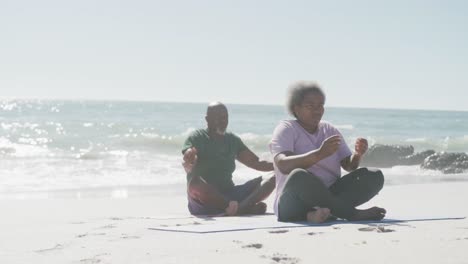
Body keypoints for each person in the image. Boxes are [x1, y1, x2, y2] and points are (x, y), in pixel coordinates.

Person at [269, 81, 386, 223]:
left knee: (374, 175)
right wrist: (318, 154)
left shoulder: (329, 129)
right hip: (293, 202)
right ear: (296, 108)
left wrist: (358, 154)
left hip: (330, 195)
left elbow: (349, 166)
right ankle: (350, 213)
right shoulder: (286, 129)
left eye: (320, 106)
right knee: (299, 175)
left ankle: (321, 213)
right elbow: (283, 165)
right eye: (310, 106)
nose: (317, 110)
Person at [182, 102, 276, 216]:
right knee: (195, 183)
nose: (223, 121)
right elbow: (188, 157)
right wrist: (189, 159)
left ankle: (240, 208)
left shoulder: (233, 140)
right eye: (218, 117)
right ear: (207, 119)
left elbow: (256, 162)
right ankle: (236, 208)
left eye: (225, 117)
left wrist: (283, 164)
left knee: (273, 177)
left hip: (231, 195)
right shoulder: (197, 137)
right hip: (205, 201)